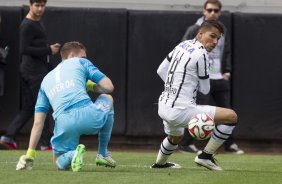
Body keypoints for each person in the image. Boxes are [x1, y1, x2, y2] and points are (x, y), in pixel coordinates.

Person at [151, 20, 238, 171]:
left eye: (218, 39)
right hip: (181, 109)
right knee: (231, 117)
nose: (215, 42)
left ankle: (160, 164)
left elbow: (160, 70)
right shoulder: (202, 54)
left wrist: (175, 87)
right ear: (200, 34)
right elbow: (205, 90)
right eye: (212, 36)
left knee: (175, 138)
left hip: (164, 105)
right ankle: (205, 156)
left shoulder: (182, 45)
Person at [16, 41, 116, 172]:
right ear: (72, 55)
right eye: (83, 56)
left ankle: (72, 155)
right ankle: (102, 153)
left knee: (58, 162)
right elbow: (109, 87)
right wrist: (91, 86)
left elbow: (38, 122)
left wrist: (30, 154)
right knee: (108, 98)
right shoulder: (81, 62)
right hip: (89, 116)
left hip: (64, 123)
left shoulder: (45, 80)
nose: (85, 59)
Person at [179, 0, 244, 154]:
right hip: (202, 78)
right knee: (198, 112)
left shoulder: (223, 30)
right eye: (210, 10)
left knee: (228, 113)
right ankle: (186, 143)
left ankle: (230, 144)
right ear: (204, 11)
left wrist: (227, 72)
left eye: (216, 10)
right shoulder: (194, 29)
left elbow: (226, 50)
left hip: (219, 78)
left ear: (220, 12)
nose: (212, 13)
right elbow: (183, 49)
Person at [0, 0, 60, 150]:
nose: (40, 9)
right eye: (37, 5)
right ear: (30, 5)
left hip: (33, 71)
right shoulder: (27, 25)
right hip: (33, 73)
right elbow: (24, 49)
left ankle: (8, 136)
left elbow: (35, 47)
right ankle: (46, 143)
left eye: (42, 5)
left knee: (28, 108)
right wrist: (49, 50)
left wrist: (49, 63)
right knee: (43, 106)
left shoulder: (37, 22)